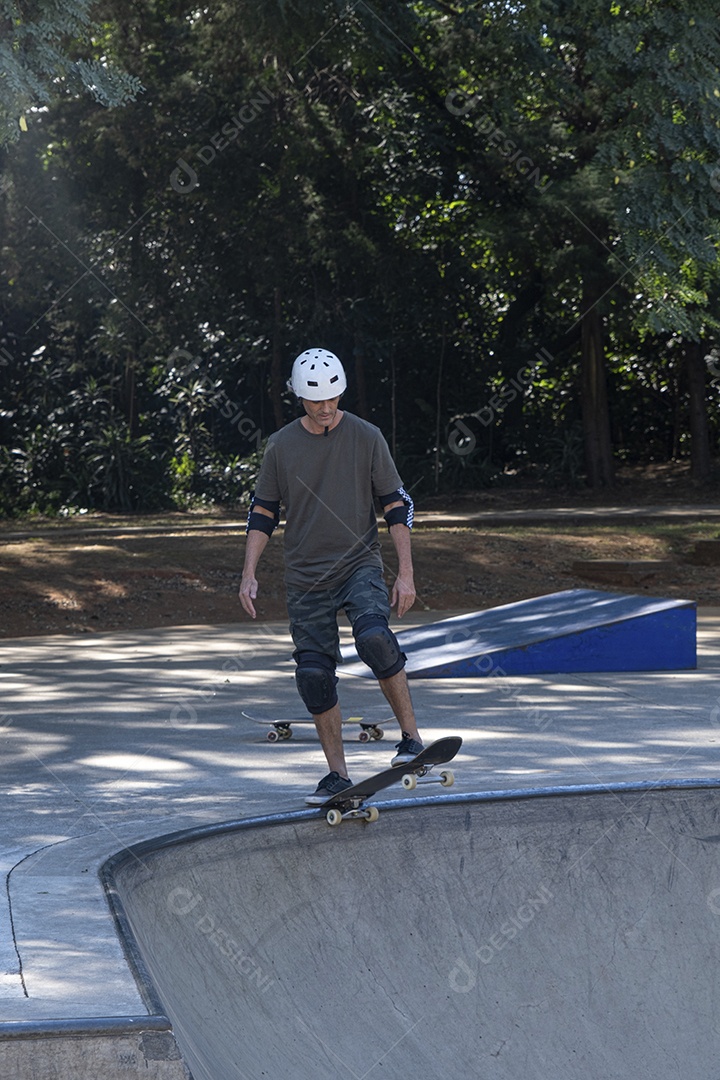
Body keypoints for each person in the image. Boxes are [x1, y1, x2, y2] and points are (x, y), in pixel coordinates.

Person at [238, 347, 424, 804]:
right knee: (314, 675)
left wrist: (406, 574)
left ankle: (411, 739)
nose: (325, 409)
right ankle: (338, 775)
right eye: (315, 401)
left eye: (333, 399)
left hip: (359, 563)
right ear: (299, 397)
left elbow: (396, 505)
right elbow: (263, 512)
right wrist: (248, 572)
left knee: (375, 639)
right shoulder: (281, 446)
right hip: (305, 577)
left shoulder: (366, 436)